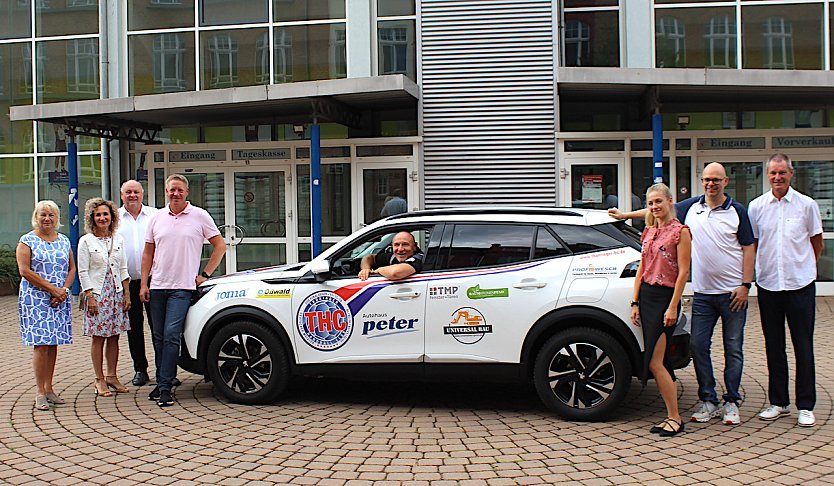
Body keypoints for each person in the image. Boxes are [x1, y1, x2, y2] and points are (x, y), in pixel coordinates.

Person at [610, 162, 755, 426]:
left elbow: (748, 246)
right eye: (707, 179)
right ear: (702, 181)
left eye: (716, 179)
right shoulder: (691, 208)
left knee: (733, 348)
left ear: (725, 182)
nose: (711, 183)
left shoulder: (736, 211)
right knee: (699, 347)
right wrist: (624, 216)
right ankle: (708, 399)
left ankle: (731, 401)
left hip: (732, 293)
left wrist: (746, 285)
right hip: (703, 293)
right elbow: (654, 209)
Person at [749, 154, 824, 427]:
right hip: (769, 285)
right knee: (774, 346)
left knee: (803, 346)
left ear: (791, 174)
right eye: (773, 173)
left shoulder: (807, 205)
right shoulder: (756, 207)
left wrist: (803, 268)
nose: (778, 177)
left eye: (782, 173)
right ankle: (778, 402)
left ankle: (806, 405)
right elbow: (753, 246)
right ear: (767, 175)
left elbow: (817, 244)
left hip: (799, 286)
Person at [140, 174, 226, 407]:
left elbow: (220, 245)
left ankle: (166, 386)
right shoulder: (157, 218)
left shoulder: (199, 215)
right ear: (165, 192)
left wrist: (205, 274)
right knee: (158, 337)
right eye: (171, 190)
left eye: (179, 190)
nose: (175, 194)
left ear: (187, 192)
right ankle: (162, 380)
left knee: (170, 335)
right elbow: (148, 252)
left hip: (183, 288)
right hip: (158, 286)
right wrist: (144, 284)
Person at [631, 183, 691, 437]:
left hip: (665, 298)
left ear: (669, 201)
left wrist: (673, 306)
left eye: (659, 202)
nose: (655, 207)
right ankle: (670, 415)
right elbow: (641, 268)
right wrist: (635, 301)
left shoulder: (681, 232)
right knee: (661, 361)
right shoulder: (648, 230)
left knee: (656, 362)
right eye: (651, 203)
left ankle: (675, 418)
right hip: (646, 297)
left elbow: (684, 272)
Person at [16, 200, 75, 411]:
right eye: (43, 215)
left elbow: (71, 268)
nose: (47, 219)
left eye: (51, 215)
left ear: (57, 218)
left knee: (53, 344)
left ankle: (49, 388)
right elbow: (25, 271)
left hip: (59, 298)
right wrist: (52, 289)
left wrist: (64, 291)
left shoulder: (64, 240)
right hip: (36, 299)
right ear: (36, 217)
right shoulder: (27, 240)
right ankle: (40, 392)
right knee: (41, 344)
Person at [78, 198, 131, 397]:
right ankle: (99, 379)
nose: (102, 218)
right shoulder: (86, 241)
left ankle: (112, 376)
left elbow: (123, 268)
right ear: (92, 217)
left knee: (115, 336)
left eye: (105, 214)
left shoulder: (118, 239)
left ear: (112, 217)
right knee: (98, 337)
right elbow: (83, 271)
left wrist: (126, 294)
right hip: (98, 294)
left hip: (116, 293)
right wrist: (89, 296)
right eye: (98, 214)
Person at [118, 180, 159, 387]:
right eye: (128, 192)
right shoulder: (114, 218)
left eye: (136, 192)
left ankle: (164, 369)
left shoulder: (155, 215)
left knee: (158, 327)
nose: (132, 195)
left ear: (142, 194)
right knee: (134, 328)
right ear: (121, 194)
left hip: (154, 280)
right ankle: (140, 369)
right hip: (127, 283)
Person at [358, 231, 423, 281]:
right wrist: (366, 269)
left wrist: (377, 271)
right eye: (396, 245)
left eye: (405, 244)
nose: (400, 249)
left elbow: (395, 273)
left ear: (414, 246)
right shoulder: (393, 257)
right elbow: (369, 258)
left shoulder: (419, 259)